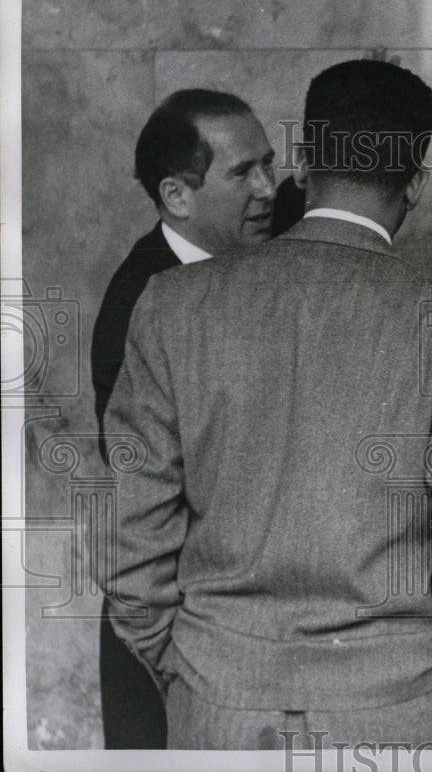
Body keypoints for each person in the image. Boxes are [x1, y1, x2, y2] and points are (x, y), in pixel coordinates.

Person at [96, 59, 432, 749]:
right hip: (406, 710)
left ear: (304, 160)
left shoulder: (172, 305)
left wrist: (192, 669)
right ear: (416, 181)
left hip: (220, 705)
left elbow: (128, 536)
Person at [90, 88, 277, 749]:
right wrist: (175, 658)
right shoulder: (141, 303)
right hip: (172, 649)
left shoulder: (236, 250)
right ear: (176, 197)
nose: (268, 188)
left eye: (270, 164)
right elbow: (144, 512)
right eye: (242, 172)